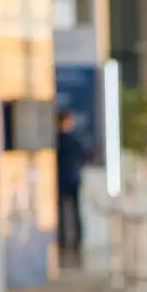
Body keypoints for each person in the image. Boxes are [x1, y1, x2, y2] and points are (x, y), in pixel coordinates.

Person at [55, 109, 88, 256]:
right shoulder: (71, 140)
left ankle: (66, 240)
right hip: (69, 179)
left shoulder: (59, 140)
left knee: (66, 211)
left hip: (64, 179)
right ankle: (74, 240)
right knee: (71, 211)